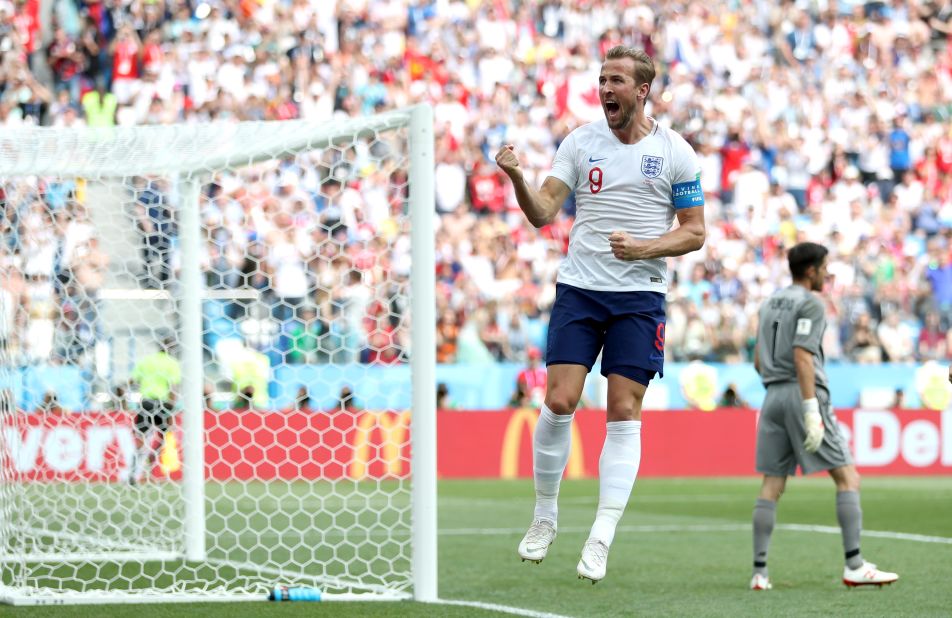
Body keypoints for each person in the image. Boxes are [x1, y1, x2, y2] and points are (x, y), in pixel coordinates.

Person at [495, 46, 706, 583]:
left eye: (616, 80)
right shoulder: (580, 141)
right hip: (581, 289)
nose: (605, 88)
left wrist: (642, 249)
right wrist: (519, 178)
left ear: (642, 90)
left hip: (640, 295)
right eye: (601, 79)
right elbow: (543, 212)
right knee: (560, 398)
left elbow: (695, 231)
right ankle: (545, 517)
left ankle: (601, 535)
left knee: (623, 409)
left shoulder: (676, 152)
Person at [749, 242, 898, 590]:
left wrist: (778, 388)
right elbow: (802, 356)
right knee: (848, 478)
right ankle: (855, 565)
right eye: (826, 267)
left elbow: (758, 359)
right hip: (802, 394)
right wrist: (809, 407)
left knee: (772, 484)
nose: (829, 273)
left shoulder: (769, 302)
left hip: (771, 397)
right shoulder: (811, 304)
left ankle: (759, 572)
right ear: (812, 270)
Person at [129, 337, 182, 484]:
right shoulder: (172, 363)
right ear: (172, 348)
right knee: (164, 436)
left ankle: (133, 473)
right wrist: (171, 409)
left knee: (140, 438)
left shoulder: (146, 361)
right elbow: (173, 388)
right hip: (162, 404)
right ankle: (150, 467)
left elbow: (132, 380)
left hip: (145, 402)